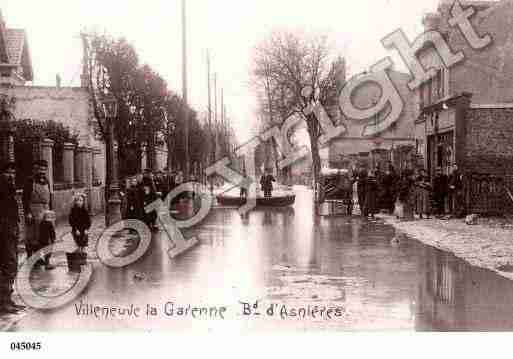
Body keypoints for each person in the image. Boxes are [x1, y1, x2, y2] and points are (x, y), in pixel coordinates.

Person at [0, 161, 25, 314]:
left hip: (10, 229)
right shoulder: (2, 188)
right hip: (4, 231)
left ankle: (7, 300)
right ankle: (4, 302)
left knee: (11, 264)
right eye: (8, 172)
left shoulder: (9, 189)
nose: (11, 175)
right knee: (9, 264)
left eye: (13, 173)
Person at [23, 159, 53, 262]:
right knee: (33, 236)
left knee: (47, 236)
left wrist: (51, 211)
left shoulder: (47, 181)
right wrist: (28, 212)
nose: (42, 171)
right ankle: (32, 258)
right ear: (35, 169)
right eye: (40, 169)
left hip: (46, 210)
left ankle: (46, 258)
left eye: (44, 169)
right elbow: (25, 198)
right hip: (34, 210)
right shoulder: (30, 181)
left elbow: (50, 196)